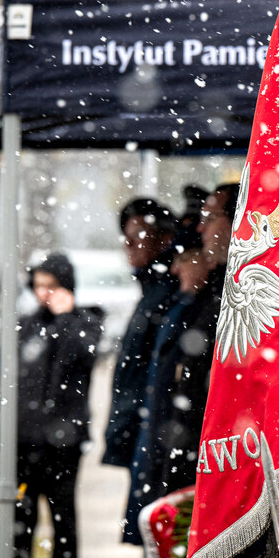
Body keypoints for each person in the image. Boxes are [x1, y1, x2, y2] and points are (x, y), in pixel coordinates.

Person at [122, 226, 220, 545]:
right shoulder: (184, 304)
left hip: (182, 439)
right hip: (169, 438)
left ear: (208, 261)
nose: (176, 269)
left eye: (186, 260)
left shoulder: (205, 308)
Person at [16, 253, 103, 558]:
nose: (44, 294)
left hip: (63, 445)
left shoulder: (85, 323)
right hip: (25, 443)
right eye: (38, 286)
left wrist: (66, 319)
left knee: (63, 520)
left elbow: (81, 356)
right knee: (20, 521)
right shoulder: (27, 326)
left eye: (51, 286)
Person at [102, 198, 177, 471]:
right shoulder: (154, 290)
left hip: (151, 436)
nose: (128, 245)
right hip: (143, 432)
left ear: (166, 239)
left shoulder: (165, 294)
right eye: (126, 237)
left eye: (138, 237)